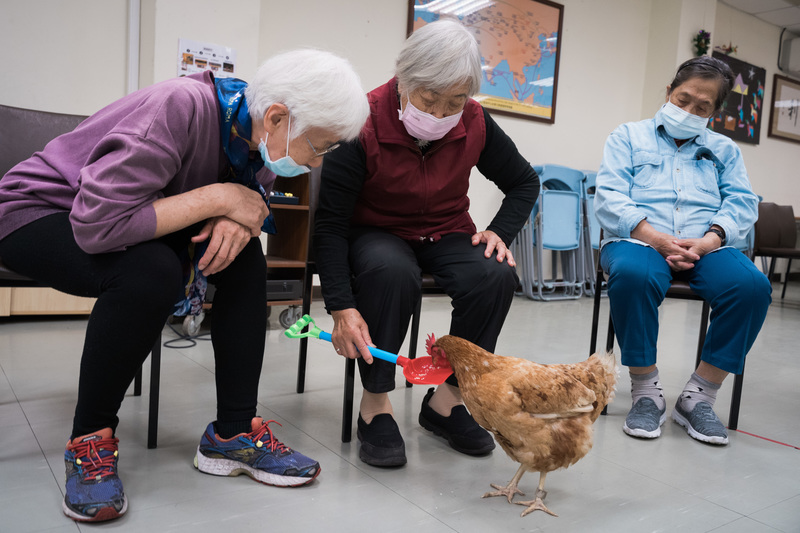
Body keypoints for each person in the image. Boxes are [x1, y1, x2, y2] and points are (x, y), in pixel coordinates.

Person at [0, 49, 369, 522]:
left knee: (244, 259)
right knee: (149, 271)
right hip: (43, 212)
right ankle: (90, 439)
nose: (317, 163)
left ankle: (232, 433)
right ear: (277, 116)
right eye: (319, 147)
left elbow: (241, 204)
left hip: (129, 217)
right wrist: (223, 197)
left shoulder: (257, 139)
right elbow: (98, 225)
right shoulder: (179, 107)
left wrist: (243, 212)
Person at [313, 19, 539, 467]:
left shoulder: (475, 121)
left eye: (454, 101)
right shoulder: (361, 120)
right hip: (377, 231)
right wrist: (340, 304)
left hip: (446, 227)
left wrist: (500, 231)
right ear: (403, 79)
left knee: (494, 274)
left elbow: (524, 181)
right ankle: (375, 402)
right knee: (391, 271)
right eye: (428, 99)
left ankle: (448, 401)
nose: (438, 115)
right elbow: (331, 225)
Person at [594, 56, 772, 446]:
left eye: (702, 106)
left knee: (753, 287)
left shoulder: (724, 150)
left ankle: (699, 397)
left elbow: (741, 203)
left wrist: (710, 239)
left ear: (715, 111)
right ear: (669, 91)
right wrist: (656, 238)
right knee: (636, 276)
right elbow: (609, 198)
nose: (689, 110)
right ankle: (646, 392)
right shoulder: (627, 136)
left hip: (705, 245)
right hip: (638, 240)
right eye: (683, 99)